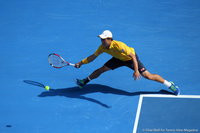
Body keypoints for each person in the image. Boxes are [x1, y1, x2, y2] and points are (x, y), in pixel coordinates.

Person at [74, 30, 180, 95]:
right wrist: (81, 63)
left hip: (130, 59)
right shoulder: (102, 47)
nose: (102, 41)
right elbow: (93, 57)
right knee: (102, 69)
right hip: (118, 59)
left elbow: (133, 56)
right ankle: (84, 82)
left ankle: (170, 84)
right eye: (101, 39)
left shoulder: (119, 45)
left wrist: (137, 71)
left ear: (110, 39)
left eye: (104, 39)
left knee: (148, 76)